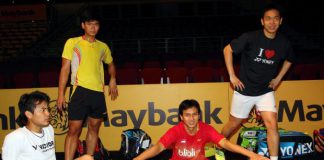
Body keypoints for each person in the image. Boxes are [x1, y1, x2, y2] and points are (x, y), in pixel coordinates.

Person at [220, 4, 295, 160]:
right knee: (233, 124)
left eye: (275, 19)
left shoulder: (284, 43)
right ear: (262, 21)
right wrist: (232, 76)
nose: (272, 22)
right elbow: (227, 50)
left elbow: (290, 59)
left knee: (272, 124)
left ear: (280, 21)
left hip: (265, 91)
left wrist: (279, 78)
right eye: (268, 19)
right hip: (244, 90)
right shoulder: (250, 37)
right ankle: (218, 146)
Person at [56, 7, 118, 160]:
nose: (93, 27)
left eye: (96, 24)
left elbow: (110, 64)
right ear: (83, 25)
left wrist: (113, 78)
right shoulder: (72, 42)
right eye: (89, 24)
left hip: (98, 93)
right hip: (79, 91)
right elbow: (65, 69)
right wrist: (60, 95)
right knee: (73, 130)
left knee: (94, 128)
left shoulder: (103, 47)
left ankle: (88, 157)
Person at [134, 99, 269, 160]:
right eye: (187, 115)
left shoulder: (206, 129)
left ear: (199, 115)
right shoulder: (176, 130)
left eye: (194, 115)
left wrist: (253, 155)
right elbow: (158, 147)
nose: (191, 119)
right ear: (181, 117)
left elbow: (226, 144)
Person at [1, 91, 93, 160]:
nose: (48, 113)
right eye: (43, 110)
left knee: (88, 158)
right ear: (29, 114)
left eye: (47, 109)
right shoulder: (15, 138)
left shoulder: (48, 129)